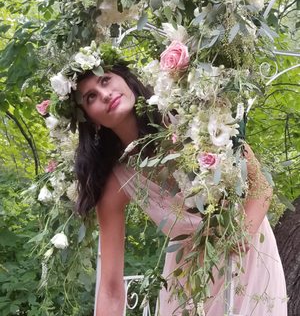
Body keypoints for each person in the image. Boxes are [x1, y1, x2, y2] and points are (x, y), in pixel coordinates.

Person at [73, 63, 287, 316]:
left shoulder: (189, 120)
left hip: (247, 260)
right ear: (91, 120)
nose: (104, 94)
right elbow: (110, 287)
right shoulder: (117, 183)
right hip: (188, 281)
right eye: (91, 97)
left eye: (106, 80)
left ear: (127, 81)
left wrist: (240, 237)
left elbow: (261, 186)